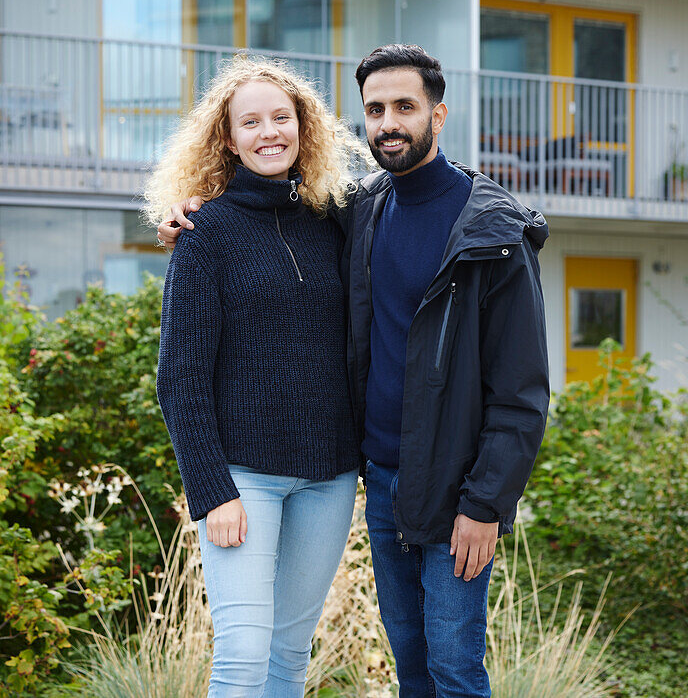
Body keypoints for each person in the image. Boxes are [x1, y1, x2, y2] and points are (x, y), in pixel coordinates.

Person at [159, 44, 550, 698]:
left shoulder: (430, 226)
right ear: (225, 139)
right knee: (280, 656)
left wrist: (488, 500)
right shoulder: (298, 221)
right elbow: (184, 374)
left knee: (421, 664)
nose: (389, 122)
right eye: (376, 109)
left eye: (405, 106)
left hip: (397, 484)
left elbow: (520, 390)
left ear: (438, 113)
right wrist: (186, 211)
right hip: (312, 479)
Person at [149, 54, 368, 698]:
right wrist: (210, 490)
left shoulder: (334, 221)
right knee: (243, 659)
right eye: (252, 122)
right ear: (228, 137)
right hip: (243, 481)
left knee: (287, 659)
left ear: (305, 127)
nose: (269, 132)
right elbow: (179, 380)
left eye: (282, 117)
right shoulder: (203, 232)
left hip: (329, 479)